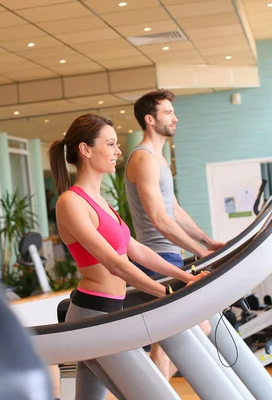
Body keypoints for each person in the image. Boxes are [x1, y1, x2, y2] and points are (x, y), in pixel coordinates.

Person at [48, 113, 208, 400]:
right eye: (110, 144)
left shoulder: (101, 202)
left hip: (110, 312)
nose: (118, 151)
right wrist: (166, 292)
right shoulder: (71, 202)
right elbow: (114, 263)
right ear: (85, 150)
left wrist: (186, 277)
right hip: (92, 317)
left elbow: (137, 250)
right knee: (148, 394)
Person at [124, 89, 225, 380]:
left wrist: (207, 242)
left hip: (169, 257)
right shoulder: (144, 159)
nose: (175, 117)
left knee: (166, 344)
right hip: (156, 259)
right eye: (168, 112)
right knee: (197, 332)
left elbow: (174, 210)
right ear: (150, 120)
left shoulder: (159, 158)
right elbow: (158, 218)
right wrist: (201, 252)